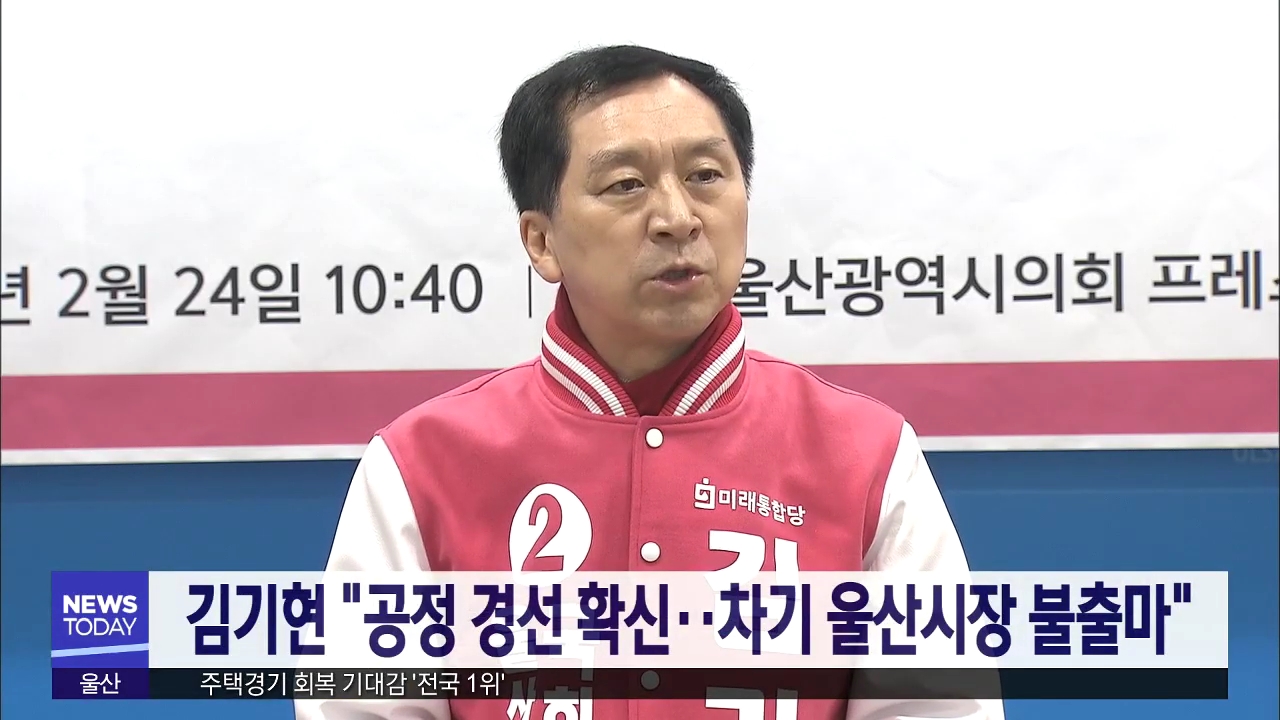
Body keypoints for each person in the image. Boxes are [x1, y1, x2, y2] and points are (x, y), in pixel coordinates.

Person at [296, 45, 1003, 720]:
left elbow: (936, 705)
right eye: (626, 185)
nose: (677, 219)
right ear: (541, 240)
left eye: (706, 175)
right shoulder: (423, 464)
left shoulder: (865, 455)